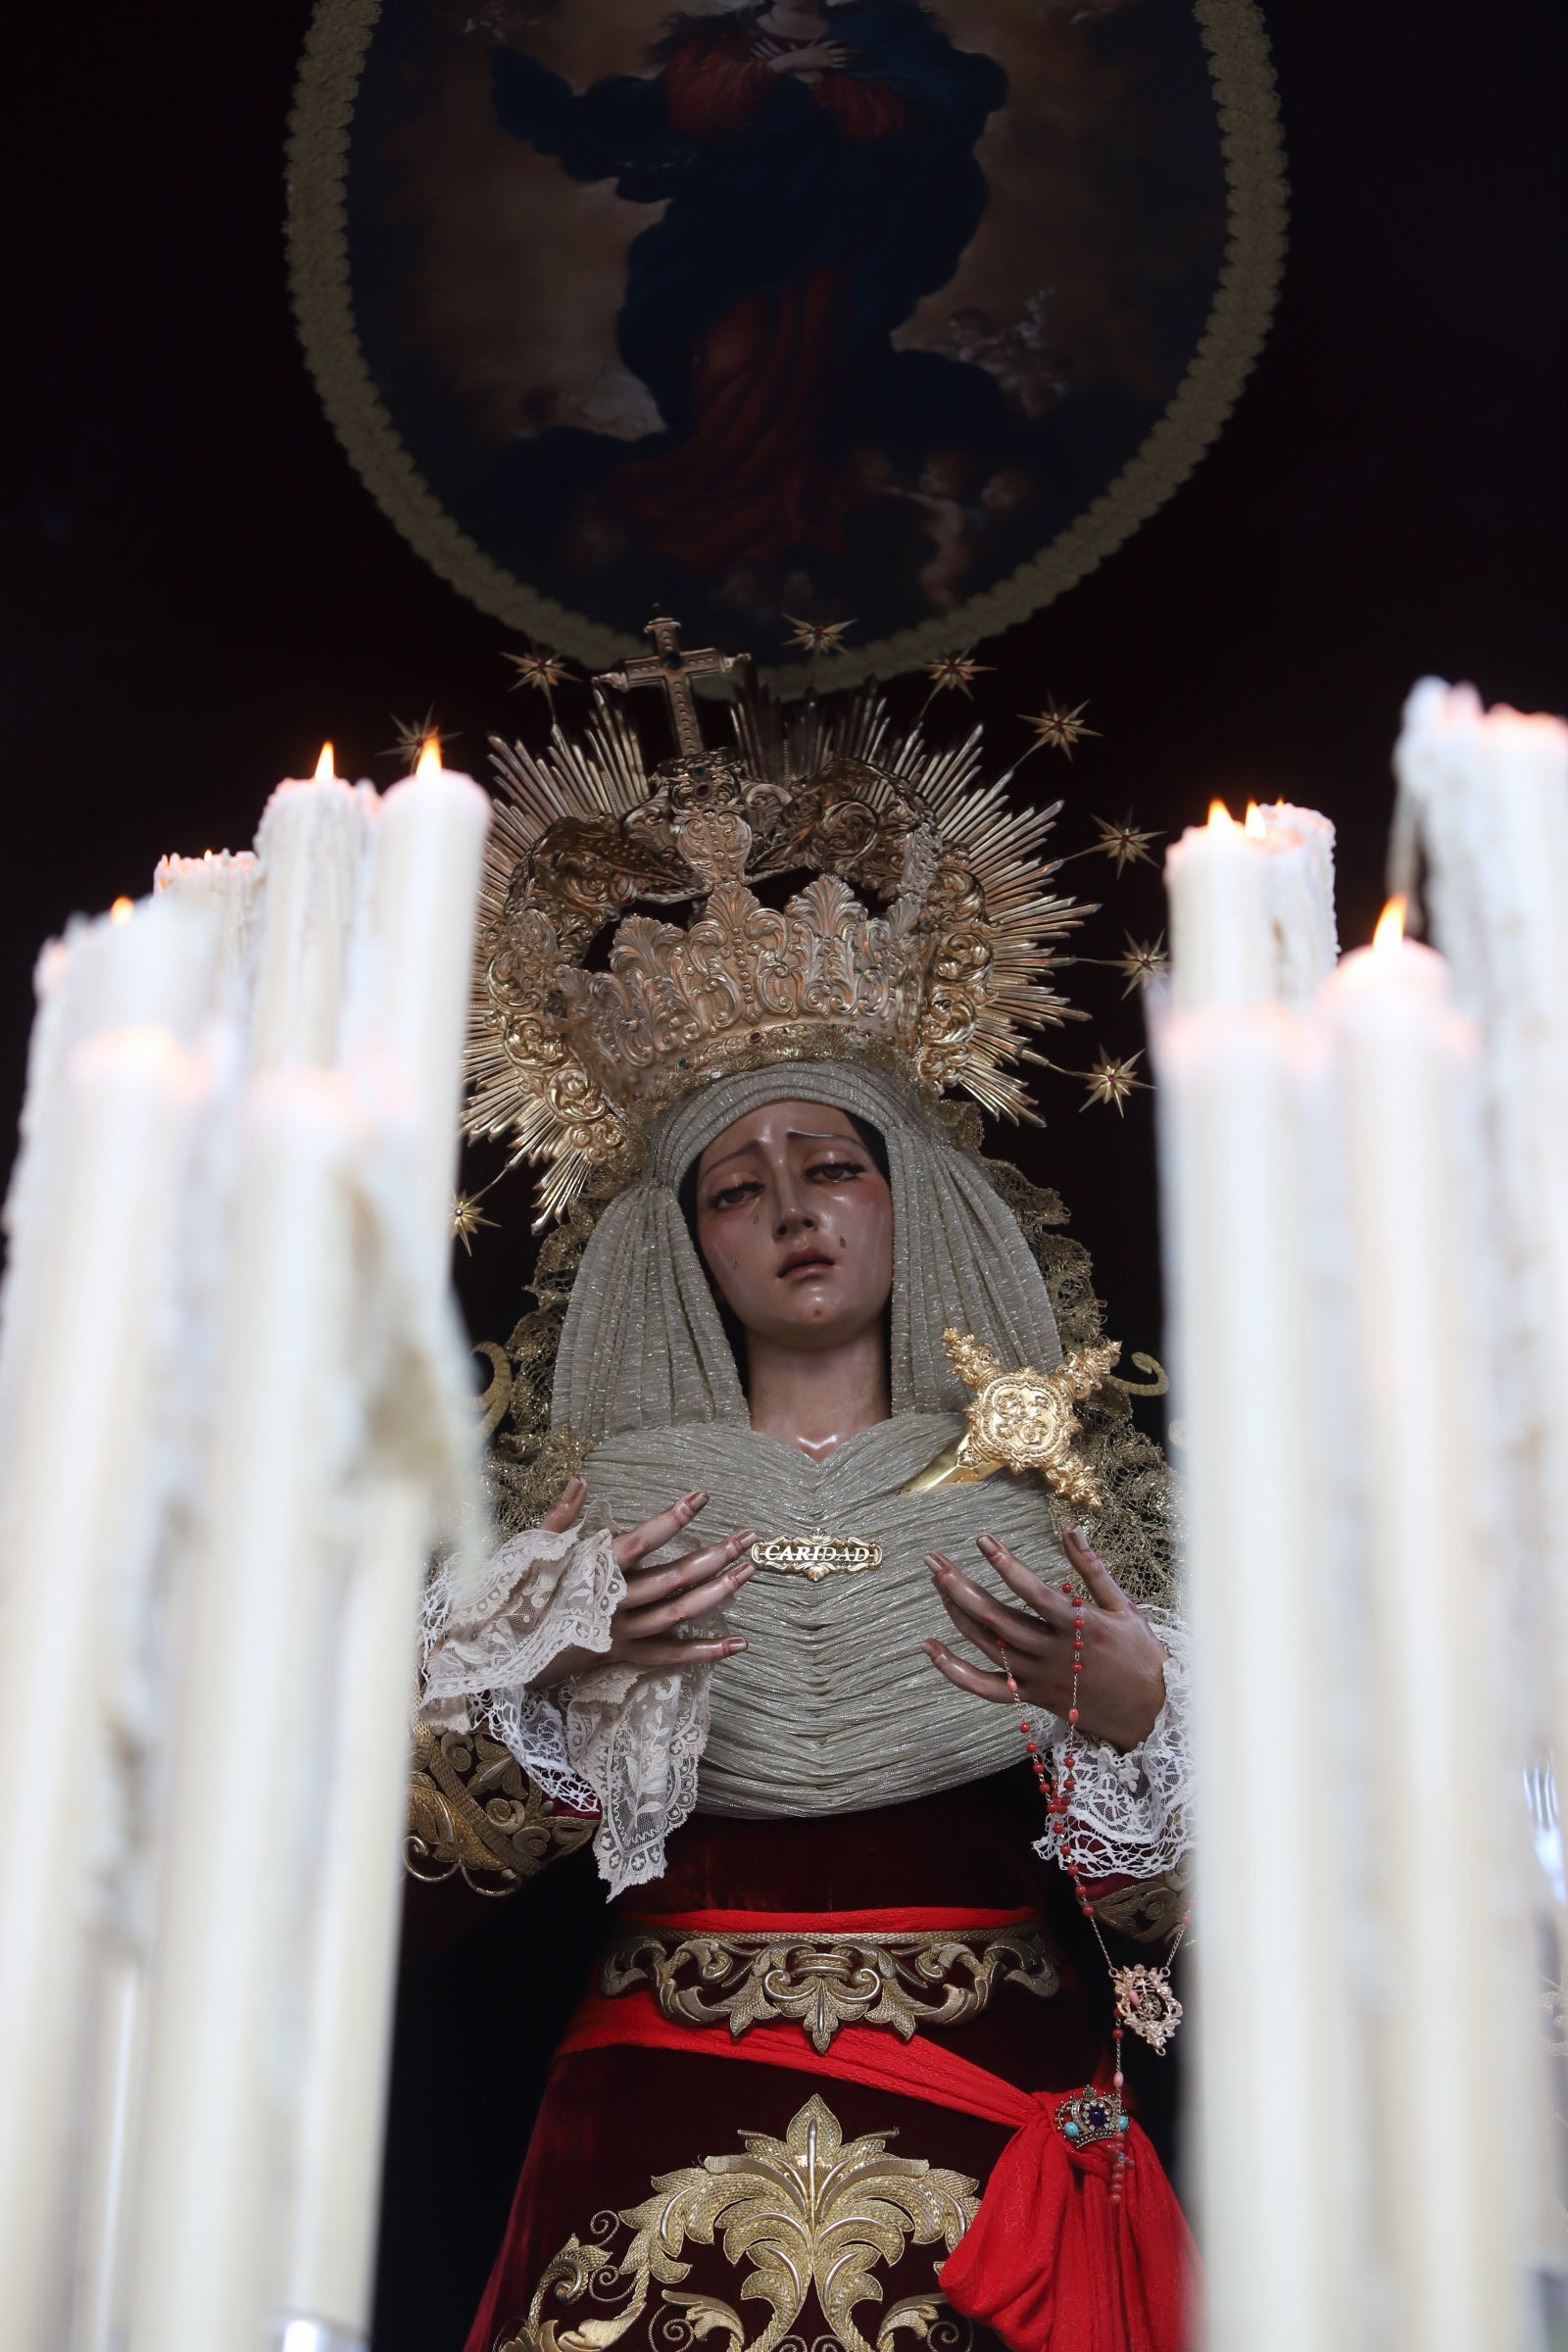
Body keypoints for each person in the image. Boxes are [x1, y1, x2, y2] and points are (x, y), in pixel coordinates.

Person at [418, 673, 1196, 2352]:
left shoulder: (1040, 1502)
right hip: (660, 2107)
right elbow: (443, 1860)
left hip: (996, 2102)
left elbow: (1198, 1900)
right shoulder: (603, 1528)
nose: (792, 1212)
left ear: (904, 1197)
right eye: (737, 1187)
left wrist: (1142, 1714)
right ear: (686, 1242)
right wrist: (554, 1669)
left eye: (830, 1166)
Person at [485, 0, 1009, 575]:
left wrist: (823, 88)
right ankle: (717, 478)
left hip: (820, 240)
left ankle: (777, 487)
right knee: (723, 354)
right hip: (727, 230)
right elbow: (694, 106)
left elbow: (899, 118)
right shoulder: (724, 39)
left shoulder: (870, 36)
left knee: (804, 363)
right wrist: (778, 70)